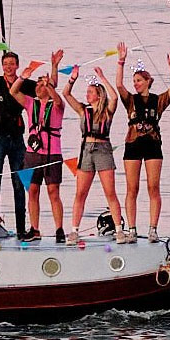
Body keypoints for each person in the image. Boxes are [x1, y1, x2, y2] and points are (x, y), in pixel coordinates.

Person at [0, 48, 57, 241]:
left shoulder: (23, 84)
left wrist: (54, 67)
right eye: (5, 64)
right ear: (2, 66)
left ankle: (22, 229)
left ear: (17, 66)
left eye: (12, 64)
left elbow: (48, 87)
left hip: (17, 137)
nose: (8, 67)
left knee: (20, 183)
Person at [116, 43, 170, 243]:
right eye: (134, 81)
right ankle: (132, 229)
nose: (135, 84)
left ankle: (153, 229)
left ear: (147, 82)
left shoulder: (158, 100)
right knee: (132, 188)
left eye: (138, 80)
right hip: (133, 144)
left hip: (153, 144)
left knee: (153, 187)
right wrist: (121, 61)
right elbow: (119, 86)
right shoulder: (131, 100)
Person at [63, 66, 126, 246]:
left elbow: (114, 97)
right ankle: (74, 230)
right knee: (80, 193)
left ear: (98, 95)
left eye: (90, 92)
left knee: (110, 192)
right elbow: (66, 94)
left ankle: (119, 229)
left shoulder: (107, 111)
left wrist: (102, 78)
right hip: (86, 150)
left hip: (103, 149)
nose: (87, 96)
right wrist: (72, 79)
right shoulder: (84, 111)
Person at [11, 53, 65, 243]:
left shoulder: (57, 105)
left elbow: (58, 100)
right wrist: (23, 76)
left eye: (44, 85)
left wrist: (50, 80)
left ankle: (59, 229)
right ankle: (34, 229)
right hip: (32, 153)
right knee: (32, 191)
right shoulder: (30, 103)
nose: (41, 87)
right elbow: (13, 92)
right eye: (39, 85)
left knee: (53, 192)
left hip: (52, 153)